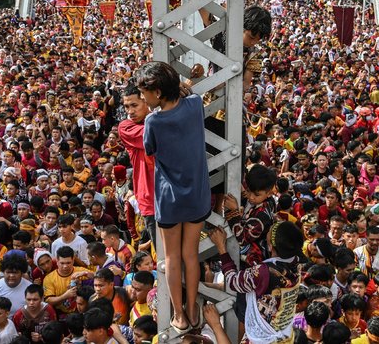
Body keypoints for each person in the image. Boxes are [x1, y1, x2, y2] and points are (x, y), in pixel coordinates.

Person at [136, 61, 211, 334]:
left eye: (144, 93)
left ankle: (178, 314)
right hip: (197, 195)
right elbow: (188, 92)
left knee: (171, 258)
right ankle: (193, 308)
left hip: (169, 199)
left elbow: (150, 149)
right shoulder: (193, 106)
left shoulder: (153, 121)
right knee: (191, 255)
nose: (143, 98)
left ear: (156, 92)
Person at [209, 221, 304, 343]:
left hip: (262, 335)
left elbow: (233, 281)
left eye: (268, 235)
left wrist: (221, 248)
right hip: (281, 332)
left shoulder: (263, 272)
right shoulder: (296, 265)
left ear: (270, 247)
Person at [118, 85, 156, 246]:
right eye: (127, 106)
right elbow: (155, 132)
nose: (130, 111)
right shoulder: (126, 127)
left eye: (134, 105)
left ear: (146, 101)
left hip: (174, 196)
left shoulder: (158, 118)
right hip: (150, 200)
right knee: (166, 257)